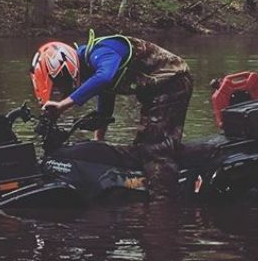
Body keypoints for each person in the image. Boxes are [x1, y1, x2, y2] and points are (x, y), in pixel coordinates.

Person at [29, 30, 193, 187]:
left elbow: (104, 78)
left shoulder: (100, 52)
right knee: (140, 148)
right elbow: (104, 110)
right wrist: (98, 142)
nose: (63, 89)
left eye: (61, 84)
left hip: (173, 83)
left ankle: (163, 203)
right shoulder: (95, 71)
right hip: (154, 93)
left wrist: (62, 105)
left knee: (156, 151)